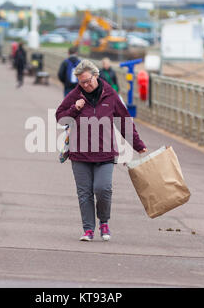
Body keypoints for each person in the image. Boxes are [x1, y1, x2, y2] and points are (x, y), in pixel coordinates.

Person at [55, 60, 147, 242]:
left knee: (103, 188)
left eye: (88, 80)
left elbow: (124, 122)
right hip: (80, 153)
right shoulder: (75, 95)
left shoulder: (110, 95)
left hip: (105, 153)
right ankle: (88, 229)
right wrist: (75, 107)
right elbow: (60, 118)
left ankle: (104, 221)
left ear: (96, 76)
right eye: (82, 82)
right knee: (84, 193)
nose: (86, 85)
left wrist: (138, 145)